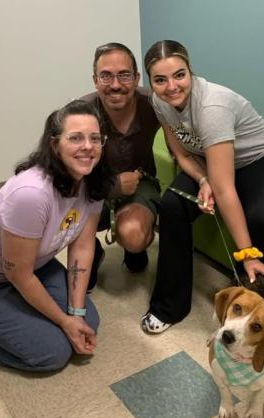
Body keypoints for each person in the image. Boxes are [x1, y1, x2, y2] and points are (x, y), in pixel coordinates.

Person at [140, 40, 264, 334]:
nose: (171, 86)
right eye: (160, 79)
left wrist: (247, 253)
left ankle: (242, 296)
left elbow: (225, 189)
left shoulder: (212, 107)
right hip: (209, 161)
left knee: (261, 216)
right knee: (173, 204)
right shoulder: (159, 101)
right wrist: (203, 180)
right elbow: (183, 154)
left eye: (179, 75)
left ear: (190, 71)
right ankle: (169, 306)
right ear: (151, 82)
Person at [0, 100, 111, 372]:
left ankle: (27, 316)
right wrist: (65, 323)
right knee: (51, 353)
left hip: (35, 266)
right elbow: (17, 274)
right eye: (75, 138)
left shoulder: (92, 181)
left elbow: (83, 246)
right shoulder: (31, 194)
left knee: (89, 321)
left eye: (95, 138)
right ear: (54, 145)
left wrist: (75, 315)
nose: (88, 146)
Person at [81, 42, 160, 282]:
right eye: (106, 76)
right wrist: (112, 185)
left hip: (142, 184)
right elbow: (63, 177)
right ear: (95, 80)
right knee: (59, 220)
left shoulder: (157, 104)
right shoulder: (80, 114)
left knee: (134, 236)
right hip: (92, 189)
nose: (115, 85)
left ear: (136, 78)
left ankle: (133, 245)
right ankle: (91, 252)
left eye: (124, 75)